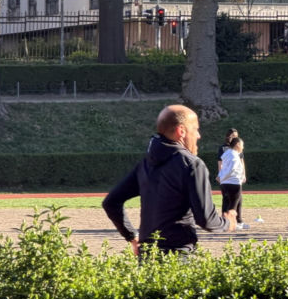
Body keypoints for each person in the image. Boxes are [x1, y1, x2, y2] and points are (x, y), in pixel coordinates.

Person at [103, 104, 237, 255]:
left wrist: (132, 237)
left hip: (147, 254)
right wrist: (228, 223)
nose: (199, 135)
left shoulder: (146, 163)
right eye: (196, 129)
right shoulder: (192, 164)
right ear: (181, 131)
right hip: (178, 256)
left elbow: (111, 202)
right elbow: (206, 220)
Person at [218, 136, 249, 230]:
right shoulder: (234, 155)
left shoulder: (227, 153)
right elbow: (233, 168)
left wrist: (221, 176)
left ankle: (226, 223)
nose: (243, 148)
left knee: (229, 202)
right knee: (233, 205)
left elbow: (223, 166)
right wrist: (240, 177)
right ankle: (231, 224)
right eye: (242, 145)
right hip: (233, 182)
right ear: (238, 145)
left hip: (224, 182)